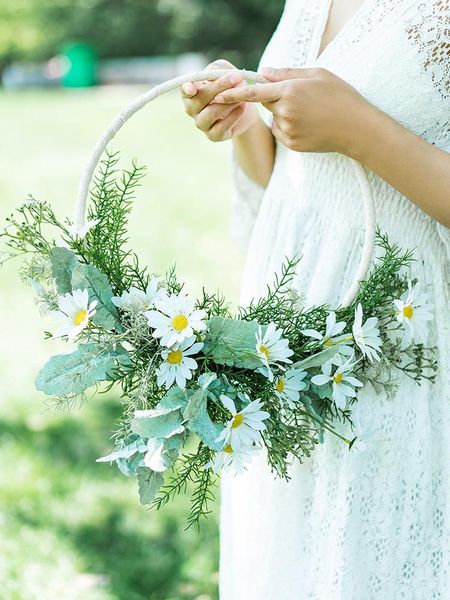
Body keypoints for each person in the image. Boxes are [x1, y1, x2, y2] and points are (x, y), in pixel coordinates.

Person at [180, 0, 450, 598]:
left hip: (402, 347)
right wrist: (249, 122)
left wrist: (362, 131)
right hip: (288, 353)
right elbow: (292, 182)